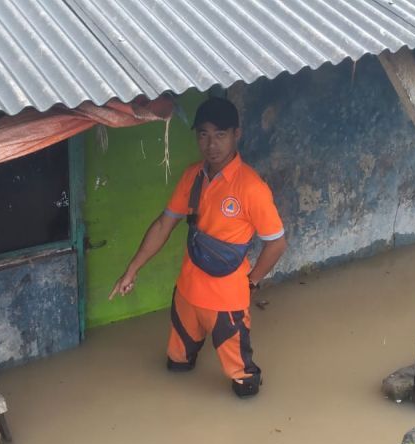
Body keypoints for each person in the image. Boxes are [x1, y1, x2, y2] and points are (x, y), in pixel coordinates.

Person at [109, 97, 287, 398]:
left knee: (245, 386)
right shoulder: (193, 176)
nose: (211, 144)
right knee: (176, 369)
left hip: (227, 305)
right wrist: (131, 270)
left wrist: (252, 281)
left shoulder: (252, 188)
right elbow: (164, 225)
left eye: (220, 134)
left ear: (236, 135)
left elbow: (277, 244)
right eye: (203, 134)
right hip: (187, 297)